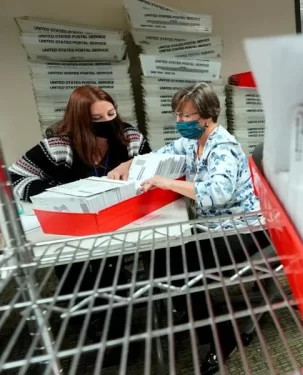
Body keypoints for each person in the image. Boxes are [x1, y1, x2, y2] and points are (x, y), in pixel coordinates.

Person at [108, 82, 266, 375]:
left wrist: (168, 183)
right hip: (213, 225)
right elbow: (162, 153)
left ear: (207, 115)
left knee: (184, 266)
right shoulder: (193, 142)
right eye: (177, 115)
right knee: (158, 259)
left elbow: (219, 192)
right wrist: (130, 163)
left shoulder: (224, 147)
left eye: (187, 116)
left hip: (241, 228)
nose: (180, 122)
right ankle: (199, 314)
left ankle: (221, 336)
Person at [8, 85, 151, 346]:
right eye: (97, 119)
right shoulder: (59, 146)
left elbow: (153, 165)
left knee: (111, 268)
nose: (108, 122)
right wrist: (56, 193)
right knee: (74, 264)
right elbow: (17, 176)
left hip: (116, 218)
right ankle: (85, 309)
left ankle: (114, 319)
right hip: (72, 222)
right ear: (81, 121)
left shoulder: (129, 138)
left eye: (111, 114)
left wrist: (132, 163)